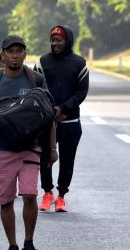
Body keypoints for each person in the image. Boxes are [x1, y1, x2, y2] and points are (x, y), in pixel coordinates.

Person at [0, 35, 58, 250]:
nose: (15, 55)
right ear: (3, 55)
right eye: (11, 51)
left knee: (29, 194)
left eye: (19, 51)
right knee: (6, 200)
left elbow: (49, 114)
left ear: (25, 54)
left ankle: (29, 243)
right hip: (2, 148)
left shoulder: (35, 79)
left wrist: (52, 147)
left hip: (31, 147)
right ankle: (12, 246)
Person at [34, 25, 89, 212]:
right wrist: (50, 109)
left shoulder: (79, 64)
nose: (55, 43)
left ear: (68, 41)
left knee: (67, 160)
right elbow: (36, 88)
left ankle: (61, 196)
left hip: (70, 122)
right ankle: (47, 192)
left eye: (59, 40)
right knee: (45, 157)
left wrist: (64, 108)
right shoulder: (42, 62)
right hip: (46, 121)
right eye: (52, 40)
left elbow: (82, 92)